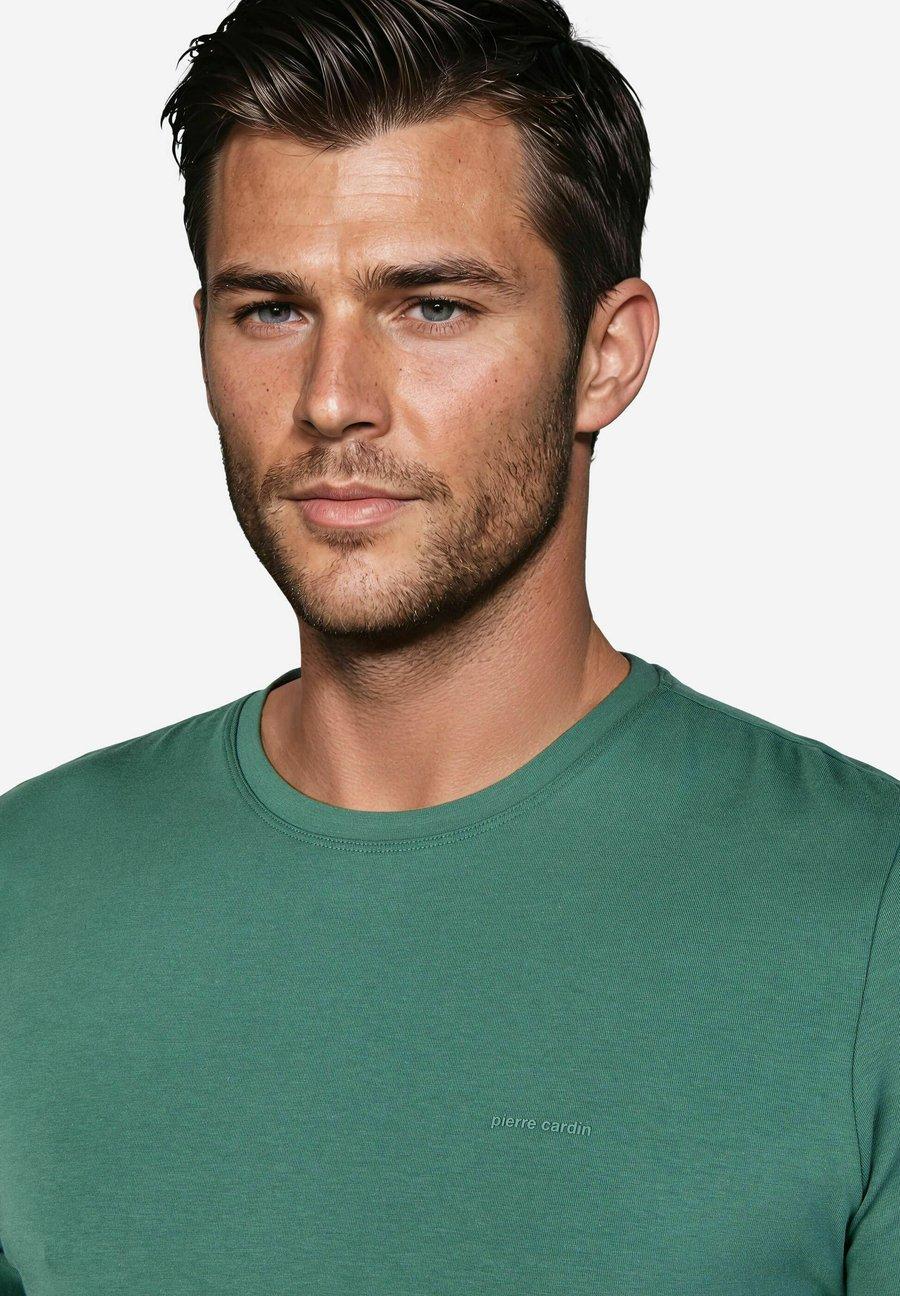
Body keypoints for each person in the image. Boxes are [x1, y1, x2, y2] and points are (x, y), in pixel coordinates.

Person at [1, 0, 897, 1291]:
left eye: (431, 306)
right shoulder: (26, 897)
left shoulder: (870, 914)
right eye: (271, 311)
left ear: (607, 357)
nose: (332, 400)